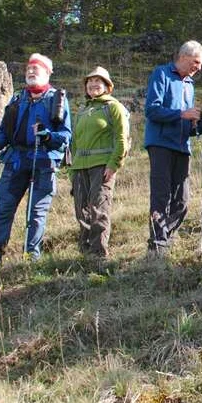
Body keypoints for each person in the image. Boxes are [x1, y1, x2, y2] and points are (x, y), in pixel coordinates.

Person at [0, 54, 72, 269]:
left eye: (37, 69)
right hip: (15, 161)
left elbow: (66, 137)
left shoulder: (56, 99)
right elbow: (5, 131)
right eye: (29, 69)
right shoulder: (17, 99)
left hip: (43, 162)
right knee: (4, 209)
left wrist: (48, 136)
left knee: (36, 214)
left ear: (48, 73)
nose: (31, 72)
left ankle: (30, 259)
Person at [144, 41, 202, 255]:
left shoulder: (190, 85)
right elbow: (152, 110)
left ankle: (164, 238)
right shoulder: (162, 74)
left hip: (182, 146)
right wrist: (181, 114)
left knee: (182, 201)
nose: (199, 67)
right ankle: (158, 245)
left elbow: (188, 126)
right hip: (160, 144)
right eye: (196, 62)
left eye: (201, 64)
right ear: (184, 57)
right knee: (161, 195)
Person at [68, 66, 129, 260]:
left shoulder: (113, 107)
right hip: (79, 168)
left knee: (99, 209)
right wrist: (72, 170)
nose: (94, 84)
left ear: (107, 86)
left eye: (99, 81)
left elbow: (122, 139)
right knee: (81, 211)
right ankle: (85, 253)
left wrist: (114, 164)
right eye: (90, 81)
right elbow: (75, 143)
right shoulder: (82, 110)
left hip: (102, 166)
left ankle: (99, 254)